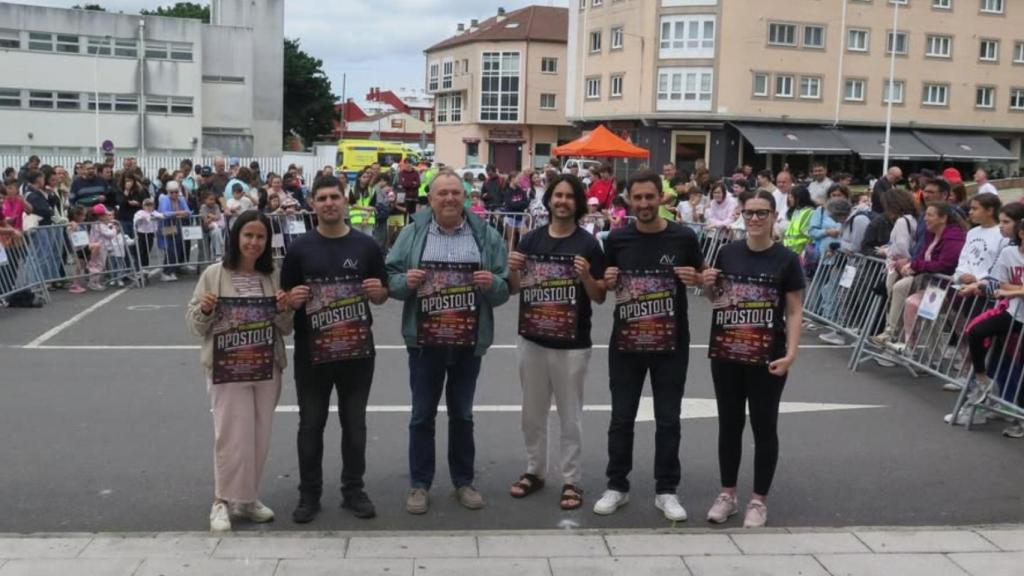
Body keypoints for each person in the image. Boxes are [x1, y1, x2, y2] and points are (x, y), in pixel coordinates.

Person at [385, 169, 510, 515]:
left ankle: (463, 481)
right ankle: (419, 484)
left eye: (456, 192)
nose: (450, 199)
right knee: (421, 415)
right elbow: (389, 278)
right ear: (431, 199)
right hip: (425, 342)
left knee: (463, 415)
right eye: (443, 193)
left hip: (468, 342)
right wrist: (405, 281)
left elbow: (505, 287)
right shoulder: (412, 234)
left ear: (466, 197)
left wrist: (491, 285)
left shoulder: (486, 236)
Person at [595, 169, 703, 522]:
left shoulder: (684, 237)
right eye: (637, 198)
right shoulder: (616, 240)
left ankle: (667, 490)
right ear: (628, 201)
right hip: (626, 342)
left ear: (661, 198)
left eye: (649, 197)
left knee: (668, 419)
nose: (643, 203)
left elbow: (705, 279)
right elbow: (604, 286)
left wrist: (697, 278)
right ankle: (617, 486)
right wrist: (607, 281)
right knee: (621, 418)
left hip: (671, 342)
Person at [281, 175, 390, 524]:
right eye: (322, 198)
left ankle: (353, 490)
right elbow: (284, 299)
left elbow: (382, 292)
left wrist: (379, 294)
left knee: (354, 424)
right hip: (311, 354)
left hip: (357, 353)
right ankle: (308, 493)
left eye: (334, 197)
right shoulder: (299, 249)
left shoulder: (367, 246)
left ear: (346, 201)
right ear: (312, 204)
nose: (329, 203)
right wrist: (291, 300)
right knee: (310, 425)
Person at [700, 189, 804, 528]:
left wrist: (790, 353)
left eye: (762, 213)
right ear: (742, 216)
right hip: (728, 352)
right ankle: (727, 493)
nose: (756, 218)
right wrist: (707, 285)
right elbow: (717, 299)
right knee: (729, 424)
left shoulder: (786, 259)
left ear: (775, 216)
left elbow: (793, 310)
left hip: (767, 355)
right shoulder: (728, 253)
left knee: (764, 426)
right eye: (750, 213)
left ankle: (758, 500)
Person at [186, 210, 293, 533]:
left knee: (259, 436)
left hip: (265, 366)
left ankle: (246, 499)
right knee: (232, 435)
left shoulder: (273, 274)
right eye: (248, 235)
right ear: (236, 237)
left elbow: (286, 328)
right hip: (227, 366)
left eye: (260, 237)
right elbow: (193, 324)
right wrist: (205, 308)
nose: (254, 242)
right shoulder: (214, 274)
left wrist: (282, 308)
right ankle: (221, 501)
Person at [506, 174, 606, 510]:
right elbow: (516, 288)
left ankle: (572, 480)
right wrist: (513, 269)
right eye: (557, 195)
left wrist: (586, 277)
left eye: (569, 196)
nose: (562, 201)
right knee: (531, 413)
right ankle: (534, 471)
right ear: (548, 201)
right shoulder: (531, 240)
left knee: (570, 416)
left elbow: (600, 296)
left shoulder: (589, 244)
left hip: (572, 343)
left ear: (577, 204)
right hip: (532, 338)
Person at [955, 208, 1024, 433]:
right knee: (975, 331)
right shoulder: (1008, 253)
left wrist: (1010, 290)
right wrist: (1013, 291)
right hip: (1013, 313)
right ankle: (982, 379)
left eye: (1006, 221)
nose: (1002, 225)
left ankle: (1018, 417)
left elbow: (1004, 288)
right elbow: (996, 284)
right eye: (1001, 221)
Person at [873, 202, 967, 347]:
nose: (925, 219)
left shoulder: (954, 237)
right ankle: (893, 333)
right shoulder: (931, 233)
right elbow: (922, 256)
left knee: (957, 326)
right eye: (925, 214)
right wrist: (911, 265)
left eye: (930, 215)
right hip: (929, 282)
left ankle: (910, 345)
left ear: (943, 218)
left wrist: (915, 265)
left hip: (945, 287)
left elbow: (945, 265)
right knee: (901, 289)